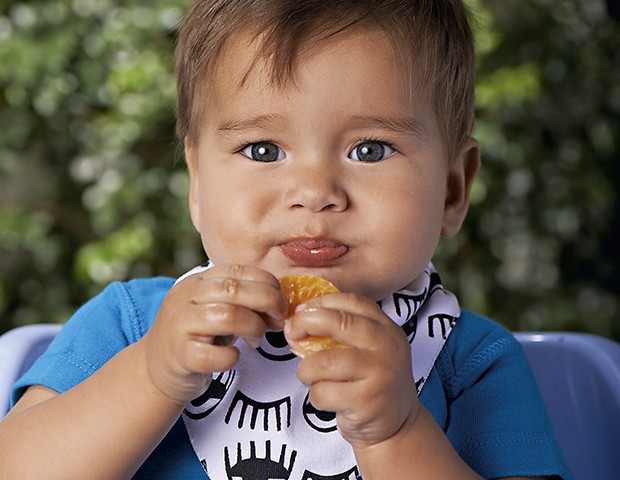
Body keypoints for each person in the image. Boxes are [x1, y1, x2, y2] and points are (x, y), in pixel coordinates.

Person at [0, 1, 573, 479]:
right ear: (197, 184)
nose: (314, 193)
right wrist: (151, 375)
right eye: (263, 150)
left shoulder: (469, 360)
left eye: (370, 149)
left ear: (452, 188)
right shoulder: (130, 327)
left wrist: (396, 432)